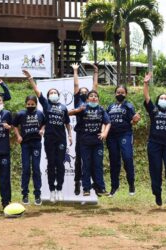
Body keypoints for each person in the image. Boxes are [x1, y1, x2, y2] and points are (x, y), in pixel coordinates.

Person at [23, 70, 73, 203]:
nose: (53, 94)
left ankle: (59, 189)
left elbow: (67, 123)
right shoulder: (46, 104)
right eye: (50, 93)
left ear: (58, 95)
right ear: (48, 96)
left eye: (54, 92)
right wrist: (31, 79)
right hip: (49, 140)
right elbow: (37, 92)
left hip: (61, 139)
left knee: (60, 164)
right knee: (51, 164)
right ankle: (52, 190)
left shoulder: (63, 107)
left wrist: (70, 136)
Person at [143, 72, 166, 206]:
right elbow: (146, 97)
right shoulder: (154, 110)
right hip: (154, 145)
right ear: (158, 100)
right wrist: (146, 83)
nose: (163, 99)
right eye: (161, 98)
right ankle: (157, 194)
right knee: (155, 169)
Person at [72, 90, 111, 197]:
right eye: (91, 96)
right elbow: (67, 113)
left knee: (98, 165)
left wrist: (104, 132)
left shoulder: (101, 109)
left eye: (95, 96)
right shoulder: (83, 108)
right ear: (88, 99)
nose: (93, 97)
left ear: (98, 99)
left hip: (97, 142)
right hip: (85, 142)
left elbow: (107, 123)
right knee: (86, 165)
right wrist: (77, 110)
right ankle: (86, 188)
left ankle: (101, 188)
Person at [106, 85, 141, 197]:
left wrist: (135, 120)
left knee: (127, 158)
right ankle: (114, 187)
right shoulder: (110, 107)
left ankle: (131, 184)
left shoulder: (129, 106)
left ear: (126, 94)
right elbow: (106, 121)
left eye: (122, 92)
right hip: (111, 137)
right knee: (114, 161)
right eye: (118, 92)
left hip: (124, 135)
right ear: (115, 94)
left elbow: (133, 121)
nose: (120, 94)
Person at [70, 62, 98, 195]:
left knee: (92, 160)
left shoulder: (91, 102)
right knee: (79, 160)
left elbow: (95, 87)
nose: (83, 91)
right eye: (82, 91)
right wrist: (75, 71)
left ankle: (95, 184)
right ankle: (77, 182)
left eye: (86, 91)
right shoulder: (78, 102)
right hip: (81, 135)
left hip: (92, 135)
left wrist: (96, 73)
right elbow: (76, 85)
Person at [13, 95, 46, 206]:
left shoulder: (40, 114)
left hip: (36, 143)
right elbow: (15, 125)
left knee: (36, 168)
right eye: (28, 104)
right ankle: (25, 195)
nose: (30, 106)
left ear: (36, 104)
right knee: (26, 168)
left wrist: (42, 129)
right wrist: (18, 136)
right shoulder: (21, 114)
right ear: (25, 104)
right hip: (25, 144)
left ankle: (37, 194)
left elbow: (44, 123)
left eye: (32, 104)